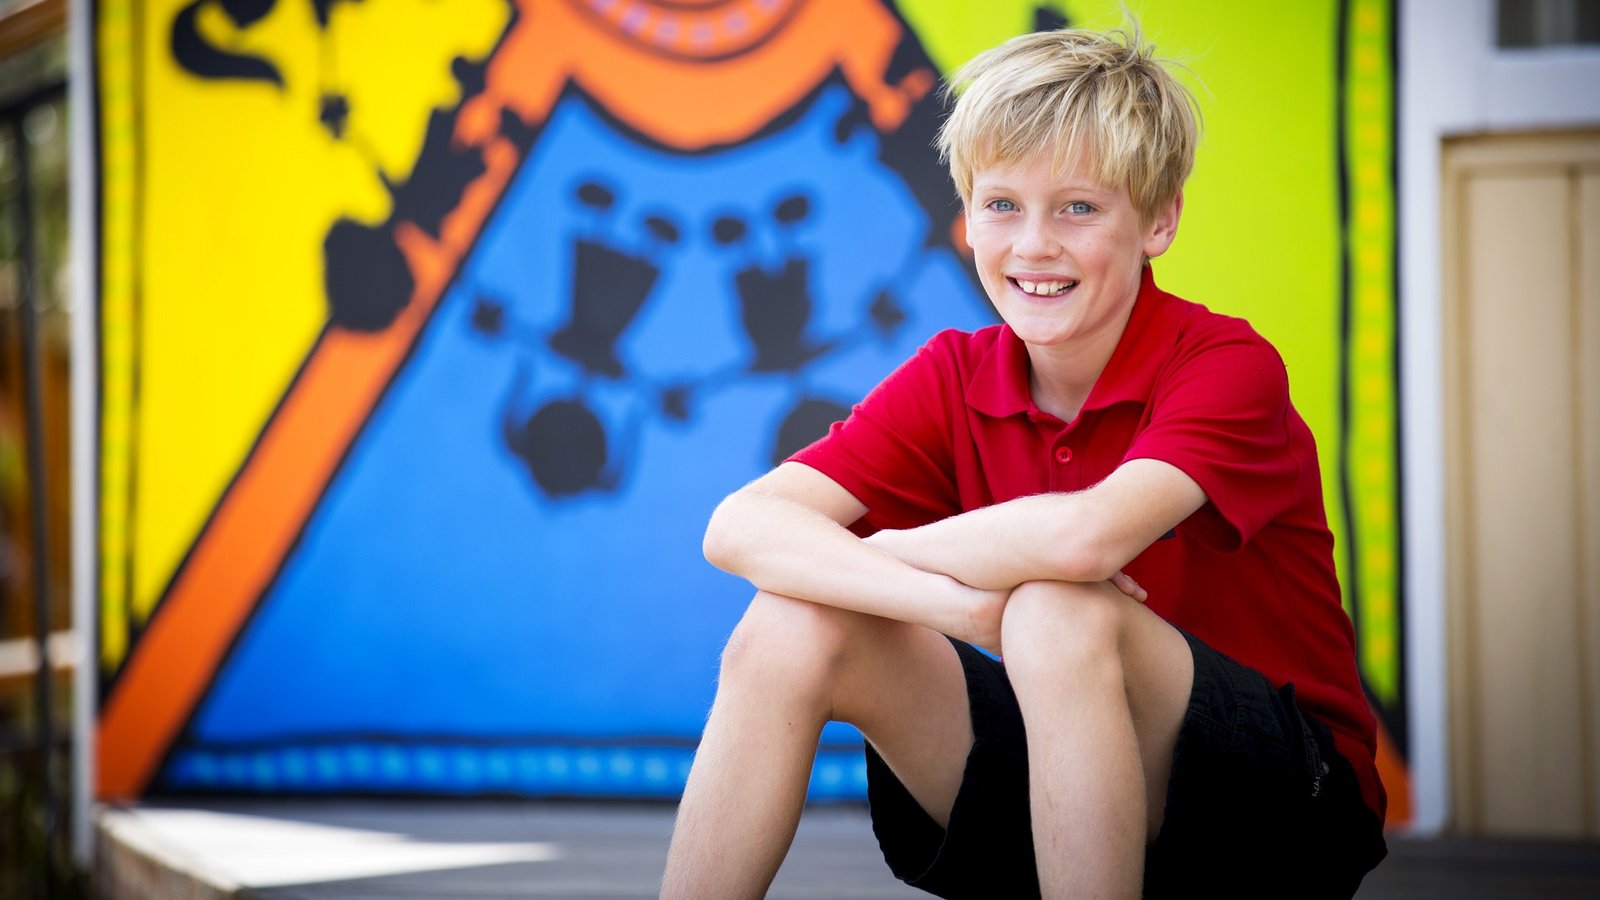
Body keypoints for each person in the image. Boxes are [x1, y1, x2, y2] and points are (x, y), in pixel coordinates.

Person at [661, 20, 1387, 900]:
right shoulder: (954, 373)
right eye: (1002, 205)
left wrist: (878, 555)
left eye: (1078, 208)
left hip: (1280, 815)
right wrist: (958, 607)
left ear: (1158, 220)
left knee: (1054, 607)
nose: (1033, 244)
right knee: (789, 623)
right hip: (1070, 769)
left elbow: (1085, 541)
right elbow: (740, 527)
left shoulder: (1226, 365)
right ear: (968, 219)